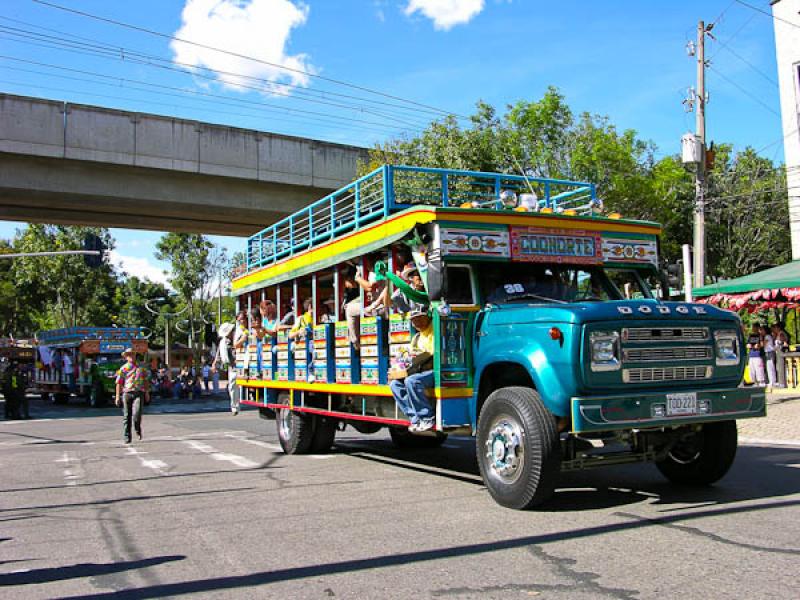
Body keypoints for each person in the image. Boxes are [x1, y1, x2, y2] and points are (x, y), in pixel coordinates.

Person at [388, 308, 436, 432]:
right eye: (414, 320)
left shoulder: (435, 331)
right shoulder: (416, 337)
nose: (417, 322)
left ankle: (427, 418)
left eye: (419, 318)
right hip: (419, 370)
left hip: (434, 370)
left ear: (427, 317)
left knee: (412, 381)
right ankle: (415, 419)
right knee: (395, 385)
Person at [115, 348, 150, 444]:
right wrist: (117, 396)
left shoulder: (141, 368)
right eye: (129, 355)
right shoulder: (123, 368)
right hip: (127, 392)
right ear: (126, 357)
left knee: (137, 413)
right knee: (127, 415)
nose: (131, 356)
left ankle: (137, 428)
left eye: (132, 354)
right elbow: (119, 382)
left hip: (139, 392)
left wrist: (147, 392)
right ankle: (127, 436)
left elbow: (146, 380)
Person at [213, 321, 239, 415]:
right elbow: (219, 354)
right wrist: (215, 363)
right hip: (232, 367)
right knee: (232, 386)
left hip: (241, 364)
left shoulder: (238, 337)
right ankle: (234, 407)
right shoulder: (223, 342)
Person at [761, 324, 777, 390]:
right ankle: (772, 381)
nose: (761, 331)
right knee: (769, 367)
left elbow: (763, 344)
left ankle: (772, 381)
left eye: (762, 330)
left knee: (770, 367)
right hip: (768, 352)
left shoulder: (767, 336)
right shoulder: (768, 336)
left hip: (769, 352)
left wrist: (761, 338)